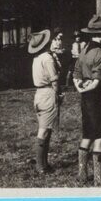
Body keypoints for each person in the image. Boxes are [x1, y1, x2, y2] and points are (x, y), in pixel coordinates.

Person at [73, 15, 101, 185]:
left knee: (87, 134)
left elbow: (76, 73)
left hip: (86, 98)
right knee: (99, 136)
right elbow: (98, 81)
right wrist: (89, 87)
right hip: (100, 98)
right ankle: (99, 177)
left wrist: (80, 88)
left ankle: (82, 174)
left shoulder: (83, 50)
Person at [29, 29, 63, 174]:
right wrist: (58, 95)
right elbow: (54, 80)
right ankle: (40, 166)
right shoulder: (47, 58)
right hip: (48, 93)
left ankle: (43, 162)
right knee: (44, 131)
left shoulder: (37, 58)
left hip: (38, 93)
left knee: (46, 129)